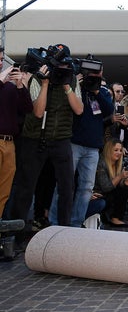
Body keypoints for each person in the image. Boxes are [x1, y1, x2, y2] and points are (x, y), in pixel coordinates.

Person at [8, 44, 84, 245]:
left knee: (67, 186)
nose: (60, 70)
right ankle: (18, 235)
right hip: (34, 139)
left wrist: (67, 85)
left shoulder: (72, 81)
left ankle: (64, 231)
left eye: (64, 67)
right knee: (26, 187)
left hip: (61, 139)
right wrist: (44, 84)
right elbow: (38, 112)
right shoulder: (36, 78)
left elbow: (79, 110)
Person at [48, 65, 113, 227]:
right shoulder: (77, 87)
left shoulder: (102, 92)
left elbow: (109, 111)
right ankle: (55, 222)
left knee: (86, 188)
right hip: (74, 143)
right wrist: (77, 84)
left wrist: (96, 90)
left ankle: (76, 223)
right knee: (64, 184)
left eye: (99, 72)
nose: (96, 75)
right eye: (93, 73)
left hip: (93, 147)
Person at [0, 48, 34, 227]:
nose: (0, 63)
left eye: (0, 59)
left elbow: (28, 108)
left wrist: (20, 85)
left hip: (10, 143)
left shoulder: (9, 88)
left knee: (4, 190)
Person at [93, 138, 128, 227]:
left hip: (109, 193)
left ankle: (116, 217)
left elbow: (117, 184)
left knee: (125, 187)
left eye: (121, 150)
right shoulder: (101, 164)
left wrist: (125, 181)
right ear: (109, 150)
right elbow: (105, 187)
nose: (119, 153)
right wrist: (120, 177)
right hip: (99, 194)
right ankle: (113, 217)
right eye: (116, 150)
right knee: (121, 190)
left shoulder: (119, 164)